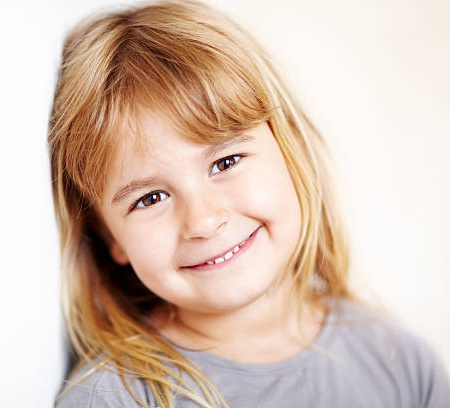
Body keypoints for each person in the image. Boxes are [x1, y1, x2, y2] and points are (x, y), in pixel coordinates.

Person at [48, 1, 450, 406]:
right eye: (150, 198)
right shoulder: (109, 398)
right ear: (107, 234)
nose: (203, 220)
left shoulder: (402, 365)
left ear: (290, 151)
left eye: (225, 162)